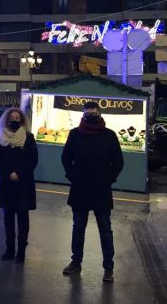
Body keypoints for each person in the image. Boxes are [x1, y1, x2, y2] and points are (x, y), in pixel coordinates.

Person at [61, 101, 123, 281]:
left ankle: (108, 267)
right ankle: (76, 262)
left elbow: (118, 161)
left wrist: (109, 178)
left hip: (101, 189)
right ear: (83, 114)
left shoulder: (109, 136)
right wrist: (73, 176)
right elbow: (66, 158)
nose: (91, 116)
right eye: (88, 113)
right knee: (78, 227)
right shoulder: (75, 135)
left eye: (93, 113)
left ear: (99, 114)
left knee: (105, 229)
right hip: (80, 188)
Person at [0, 108, 38, 264]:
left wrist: (19, 173)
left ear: (22, 120)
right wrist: (8, 173)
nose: (15, 119)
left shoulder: (29, 138)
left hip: (23, 183)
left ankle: (21, 251)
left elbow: (33, 160)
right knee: (8, 218)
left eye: (17, 117)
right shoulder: (0, 137)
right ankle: (9, 249)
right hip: (6, 183)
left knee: (23, 218)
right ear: (7, 119)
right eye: (12, 117)